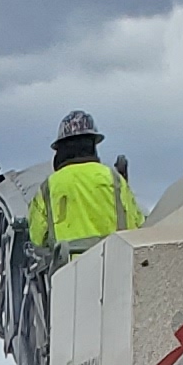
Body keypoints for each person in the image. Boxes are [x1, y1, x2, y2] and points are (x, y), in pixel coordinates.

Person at [27, 110, 146, 257]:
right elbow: (137, 224)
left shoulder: (49, 187)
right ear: (92, 145)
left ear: (60, 150)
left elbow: (37, 238)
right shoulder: (114, 179)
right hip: (114, 264)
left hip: (68, 273)